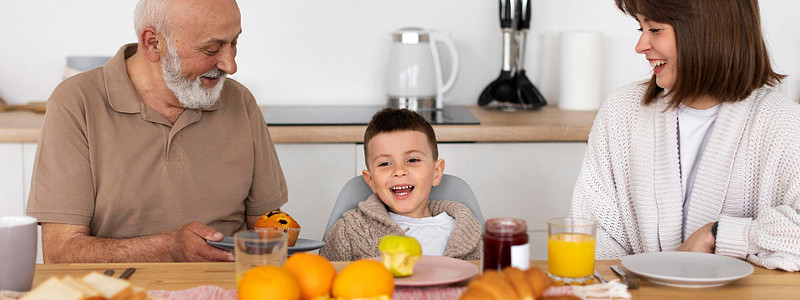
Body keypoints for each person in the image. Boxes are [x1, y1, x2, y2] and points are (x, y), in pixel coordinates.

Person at [25, 0, 288, 263]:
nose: (230, 66)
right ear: (153, 43)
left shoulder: (240, 102)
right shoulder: (76, 102)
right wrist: (166, 248)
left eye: (234, 43)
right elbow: (59, 253)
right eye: (212, 48)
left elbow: (267, 228)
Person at [571, 0, 800, 271]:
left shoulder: (783, 124)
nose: (641, 46)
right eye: (640, 29)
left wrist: (717, 234)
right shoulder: (622, 112)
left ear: (707, 31)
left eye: (655, 29)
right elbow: (593, 235)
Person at [320, 108, 482, 261]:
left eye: (412, 160)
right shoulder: (349, 232)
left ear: (436, 172)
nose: (399, 171)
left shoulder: (466, 232)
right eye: (384, 163)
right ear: (371, 181)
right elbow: (323, 279)